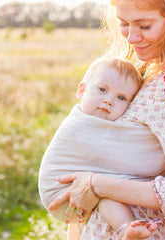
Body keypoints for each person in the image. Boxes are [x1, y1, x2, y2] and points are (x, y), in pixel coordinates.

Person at [48, 0, 165, 239]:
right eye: (123, 24)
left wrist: (97, 184)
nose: (132, 37)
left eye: (144, 26)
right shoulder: (149, 68)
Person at [39, 57, 147, 232]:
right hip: (61, 193)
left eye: (121, 97)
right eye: (102, 89)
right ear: (82, 90)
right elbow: (120, 160)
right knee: (108, 196)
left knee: (106, 192)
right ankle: (126, 228)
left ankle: (129, 229)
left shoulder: (100, 124)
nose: (109, 100)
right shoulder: (79, 124)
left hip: (77, 192)